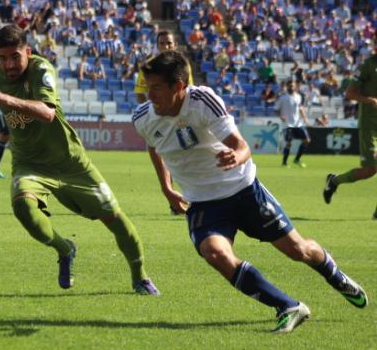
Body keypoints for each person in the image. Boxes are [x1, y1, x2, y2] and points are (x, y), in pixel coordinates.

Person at [133, 51, 368, 333]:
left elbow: (242, 145)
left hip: (243, 190)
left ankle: (334, 275)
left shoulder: (202, 101)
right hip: (203, 203)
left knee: (299, 251)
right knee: (215, 254)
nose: (150, 95)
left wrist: (236, 156)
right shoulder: (143, 118)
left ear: (178, 86)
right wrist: (166, 187)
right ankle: (288, 306)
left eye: (157, 88)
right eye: (148, 87)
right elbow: (153, 146)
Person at [0, 25, 160, 295]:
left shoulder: (41, 69)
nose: (9, 64)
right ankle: (64, 248)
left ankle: (140, 277)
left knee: (113, 217)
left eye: (15, 57)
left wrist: (0, 98)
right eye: (3, 58)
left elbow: (46, 113)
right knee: (22, 206)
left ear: (28, 52)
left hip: (69, 161)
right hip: (29, 164)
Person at [324, 39, 376, 219]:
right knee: (371, 169)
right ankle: (335, 181)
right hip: (371, 126)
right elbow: (350, 93)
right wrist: (370, 100)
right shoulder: (368, 65)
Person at [275, 80, 310, 167]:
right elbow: (276, 110)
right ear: (287, 86)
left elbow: (301, 108)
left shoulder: (298, 97)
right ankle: (284, 162)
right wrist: (280, 116)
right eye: (290, 85)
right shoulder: (283, 98)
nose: (292, 87)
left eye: (293, 85)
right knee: (289, 143)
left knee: (307, 140)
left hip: (298, 124)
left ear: (295, 87)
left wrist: (305, 118)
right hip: (288, 125)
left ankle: (297, 159)